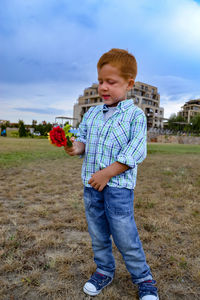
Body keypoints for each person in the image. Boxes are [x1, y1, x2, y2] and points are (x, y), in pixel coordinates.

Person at [65, 48, 159, 300]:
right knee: (97, 233)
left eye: (111, 82)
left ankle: (144, 278)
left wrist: (107, 174)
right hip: (91, 187)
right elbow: (81, 142)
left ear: (129, 84)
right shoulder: (93, 113)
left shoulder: (135, 116)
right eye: (100, 81)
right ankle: (104, 270)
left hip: (118, 190)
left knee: (125, 236)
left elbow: (135, 152)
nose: (103, 87)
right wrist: (72, 147)